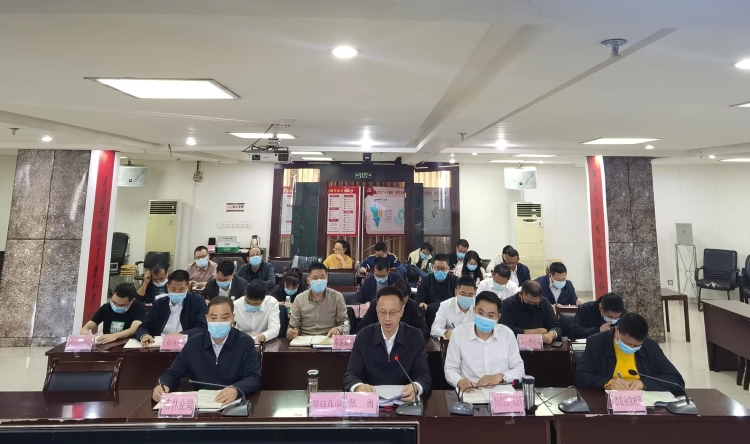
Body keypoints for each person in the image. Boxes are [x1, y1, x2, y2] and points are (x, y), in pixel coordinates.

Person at [152, 296, 261, 404]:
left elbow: (253, 377)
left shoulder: (245, 343)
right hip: (201, 405)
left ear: (232, 318)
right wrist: (164, 385)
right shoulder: (193, 344)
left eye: (224, 318)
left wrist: (236, 389)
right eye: (213, 318)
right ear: (207, 318)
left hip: (234, 404)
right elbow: (173, 373)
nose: (218, 322)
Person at [343, 286, 432, 401]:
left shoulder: (415, 337)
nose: (387, 318)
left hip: (405, 402)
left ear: (401, 312)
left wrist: (416, 387)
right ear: (377, 311)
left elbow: (424, 376)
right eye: (383, 312)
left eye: (393, 312)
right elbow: (350, 375)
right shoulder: (364, 336)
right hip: (371, 402)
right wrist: (358, 387)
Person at [576, 313, 684, 391]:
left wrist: (643, 383)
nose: (631, 348)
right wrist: (608, 383)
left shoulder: (650, 346)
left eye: (636, 346)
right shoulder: (596, 342)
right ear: (617, 330)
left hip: (643, 402)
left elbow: (677, 380)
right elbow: (580, 377)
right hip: (606, 402)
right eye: (627, 343)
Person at [444, 291, 525, 390]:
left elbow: (519, 369)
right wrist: (459, 380)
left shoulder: (507, 334)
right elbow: (450, 368)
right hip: (471, 390)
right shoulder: (458, 333)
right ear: (474, 311)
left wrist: (500, 377)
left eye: (490, 316)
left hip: (500, 391)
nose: (484, 318)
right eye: (481, 313)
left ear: (498, 317)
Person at [136, 270, 208, 346]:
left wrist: (182, 335)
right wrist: (144, 335)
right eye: (173, 289)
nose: (177, 292)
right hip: (159, 344)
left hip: (186, 344)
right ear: (167, 287)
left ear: (187, 287)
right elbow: (144, 326)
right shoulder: (160, 303)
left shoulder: (197, 301)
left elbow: (202, 327)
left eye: (181, 289)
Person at [287, 262, 349, 338]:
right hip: (305, 340)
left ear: (327, 278)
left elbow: (345, 324)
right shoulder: (299, 299)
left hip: (328, 339)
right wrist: (291, 332)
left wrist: (338, 329)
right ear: (308, 281)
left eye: (322, 277)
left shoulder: (337, 297)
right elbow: (292, 327)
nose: (319, 281)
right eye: (315, 278)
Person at [357, 279, 429, 340]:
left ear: (409, 296)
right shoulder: (377, 304)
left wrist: (406, 335)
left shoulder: (412, 305)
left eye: (403, 303)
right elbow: (361, 327)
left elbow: (424, 330)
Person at [80, 283, 146, 344]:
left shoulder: (139, 307)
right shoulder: (106, 308)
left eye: (121, 305)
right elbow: (87, 327)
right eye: (114, 302)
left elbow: (133, 329)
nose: (116, 306)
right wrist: (85, 333)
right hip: (107, 344)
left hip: (129, 344)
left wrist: (115, 336)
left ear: (132, 301)